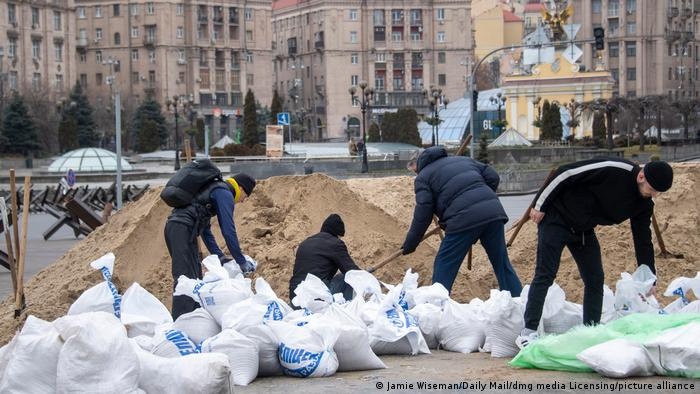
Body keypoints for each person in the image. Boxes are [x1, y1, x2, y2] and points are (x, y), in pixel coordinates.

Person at [516, 158, 674, 348]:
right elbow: (565, 172)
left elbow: (643, 241)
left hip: (583, 230)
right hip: (556, 219)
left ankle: (590, 332)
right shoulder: (615, 169)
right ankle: (528, 332)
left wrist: (649, 278)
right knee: (545, 274)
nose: (654, 195)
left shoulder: (644, 205)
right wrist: (539, 205)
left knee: (595, 279)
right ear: (641, 176)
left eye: (658, 192)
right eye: (652, 189)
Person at [401, 146, 522, 296]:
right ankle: (521, 307)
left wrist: (411, 242)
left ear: (418, 164)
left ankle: (437, 308)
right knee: (502, 263)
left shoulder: (423, 177)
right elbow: (493, 177)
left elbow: (423, 212)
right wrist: (482, 198)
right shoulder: (464, 160)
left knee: (445, 264)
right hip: (493, 214)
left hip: (462, 220)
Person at [164, 173, 257, 319]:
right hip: (181, 229)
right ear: (241, 188)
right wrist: (241, 261)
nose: (244, 201)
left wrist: (219, 256)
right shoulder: (225, 193)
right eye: (246, 196)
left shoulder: (215, 190)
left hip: (182, 229)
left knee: (195, 277)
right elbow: (228, 230)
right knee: (185, 277)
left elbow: (206, 230)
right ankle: (181, 321)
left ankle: (194, 317)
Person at [289, 214, 360, 303]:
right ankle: (345, 309)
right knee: (346, 277)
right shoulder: (335, 243)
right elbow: (351, 271)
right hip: (317, 298)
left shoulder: (305, 243)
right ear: (337, 234)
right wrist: (367, 277)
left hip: (295, 298)